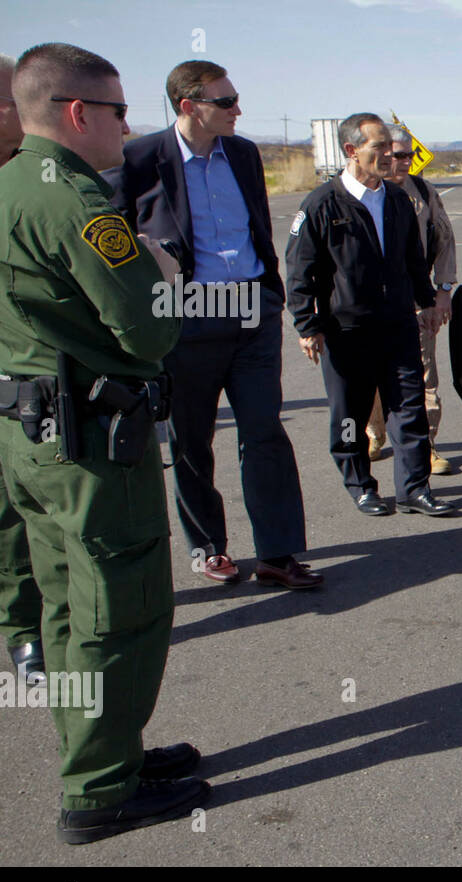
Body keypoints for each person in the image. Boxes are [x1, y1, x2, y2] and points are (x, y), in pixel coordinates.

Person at [0, 42, 209, 844]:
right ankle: (98, 790)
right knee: (118, 611)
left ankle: (104, 751)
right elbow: (151, 328)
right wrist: (159, 266)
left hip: (32, 435)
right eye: (120, 112)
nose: (130, 128)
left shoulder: (14, 183)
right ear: (78, 113)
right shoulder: (76, 202)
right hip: (89, 445)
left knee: (65, 609)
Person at [105, 60, 321, 589]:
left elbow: (254, 225)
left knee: (265, 433)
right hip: (186, 317)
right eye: (225, 103)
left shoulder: (244, 153)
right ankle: (208, 547)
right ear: (189, 105)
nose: (237, 110)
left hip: (252, 313)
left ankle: (277, 552)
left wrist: (272, 298)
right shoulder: (139, 159)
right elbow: (111, 237)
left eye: (236, 99)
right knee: (191, 441)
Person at [285, 113, 457, 518]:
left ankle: (414, 488)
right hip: (346, 329)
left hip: (397, 323)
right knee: (351, 412)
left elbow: (415, 260)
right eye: (377, 147)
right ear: (351, 151)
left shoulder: (397, 199)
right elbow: (298, 270)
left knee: (409, 407)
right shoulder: (321, 204)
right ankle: (361, 485)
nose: (388, 156)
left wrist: (428, 300)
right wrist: (307, 326)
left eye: (388, 147)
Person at [365, 124, 458, 475]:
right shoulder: (359, 194)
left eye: (410, 155)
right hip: (368, 306)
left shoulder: (422, 192)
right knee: (371, 378)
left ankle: (426, 445)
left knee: (423, 377)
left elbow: (445, 239)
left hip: (416, 301)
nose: (405, 162)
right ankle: (374, 432)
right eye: (398, 155)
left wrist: (443, 291)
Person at [0, 51, 48, 687]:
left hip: (34, 377)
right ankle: (21, 630)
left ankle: (43, 628)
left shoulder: (43, 176)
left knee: (29, 510)